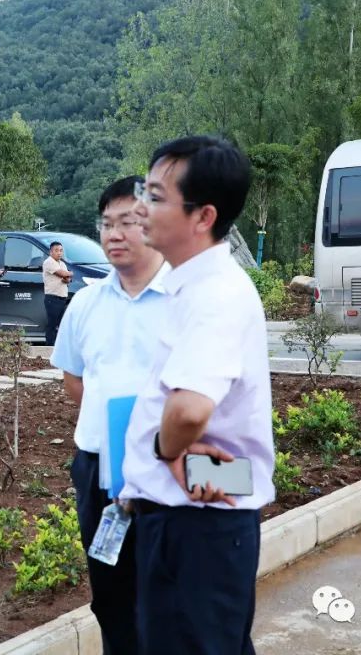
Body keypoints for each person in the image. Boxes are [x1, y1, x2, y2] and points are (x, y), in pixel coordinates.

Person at [120, 136, 275, 655]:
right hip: (194, 514)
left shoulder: (216, 294)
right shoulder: (195, 285)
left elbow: (188, 409)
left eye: (158, 197)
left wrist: (166, 453)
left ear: (203, 216)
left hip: (197, 525)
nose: (141, 207)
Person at [50, 176, 169, 655]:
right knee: (112, 596)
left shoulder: (188, 300)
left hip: (171, 471)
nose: (115, 233)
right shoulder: (85, 302)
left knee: (170, 595)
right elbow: (74, 380)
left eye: (129, 221)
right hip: (100, 472)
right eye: (107, 223)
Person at [41, 241, 73, 346]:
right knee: (52, 324)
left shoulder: (62, 264)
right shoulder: (49, 262)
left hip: (62, 298)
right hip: (52, 298)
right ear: (51, 252)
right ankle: (49, 346)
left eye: (61, 250)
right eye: (56, 250)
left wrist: (67, 277)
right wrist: (69, 274)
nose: (59, 253)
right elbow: (64, 274)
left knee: (62, 325)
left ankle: (59, 346)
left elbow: (67, 279)